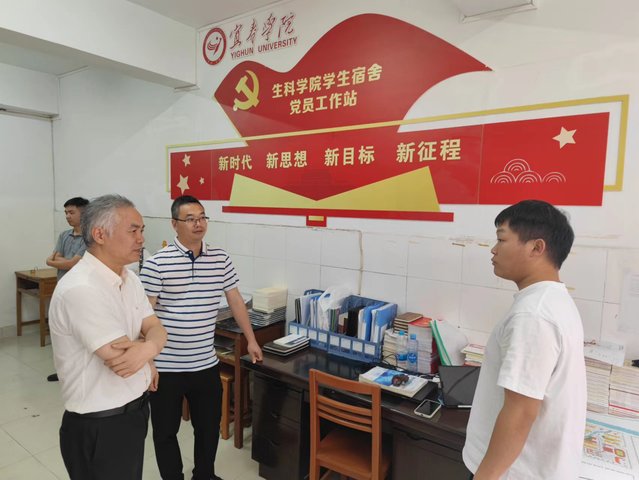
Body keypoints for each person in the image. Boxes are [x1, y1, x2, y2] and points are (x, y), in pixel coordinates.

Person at [140, 195, 263, 480]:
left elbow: (235, 301)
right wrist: (148, 361)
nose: (199, 224)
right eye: (190, 219)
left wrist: (252, 340)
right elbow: (144, 315)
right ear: (174, 224)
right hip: (166, 367)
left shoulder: (220, 258)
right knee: (165, 431)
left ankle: (204, 475)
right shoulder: (157, 264)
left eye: (202, 217)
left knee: (208, 429)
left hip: (205, 364)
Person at [463, 200, 586, 480]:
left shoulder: (534, 314)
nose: (493, 249)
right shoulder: (552, 300)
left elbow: (520, 412)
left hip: (510, 472)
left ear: (536, 248)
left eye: (501, 239)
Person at [49, 194, 167, 480]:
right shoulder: (81, 288)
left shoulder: (130, 279)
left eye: (142, 230)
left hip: (133, 410)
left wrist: (146, 348)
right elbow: (121, 362)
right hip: (100, 423)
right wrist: (149, 349)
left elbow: (156, 326)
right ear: (99, 234)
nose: (141, 239)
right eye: (133, 230)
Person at [45, 196, 89, 382]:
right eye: (66, 213)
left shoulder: (90, 237)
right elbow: (53, 259)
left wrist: (57, 261)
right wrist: (63, 261)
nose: (67, 216)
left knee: (80, 333)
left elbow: (72, 264)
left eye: (71, 212)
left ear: (84, 213)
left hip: (81, 292)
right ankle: (64, 371)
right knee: (63, 334)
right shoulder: (64, 235)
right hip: (62, 289)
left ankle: (80, 372)